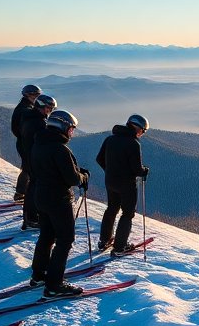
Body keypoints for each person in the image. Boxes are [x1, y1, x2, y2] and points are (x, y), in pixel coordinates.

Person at [29, 109, 88, 297]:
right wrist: (83, 176)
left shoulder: (38, 143)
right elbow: (71, 178)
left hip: (41, 195)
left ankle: (39, 275)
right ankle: (54, 285)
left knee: (46, 235)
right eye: (71, 129)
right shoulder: (60, 148)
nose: (71, 133)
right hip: (58, 199)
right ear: (63, 126)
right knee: (65, 239)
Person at [97, 114, 150, 255]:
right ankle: (120, 247)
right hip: (127, 184)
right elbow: (136, 169)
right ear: (137, 128)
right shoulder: (133, 143)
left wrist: (110, 171)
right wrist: (144, 171)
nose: (142, 134)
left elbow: (99, 159)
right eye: (143, 131)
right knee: (127, 213)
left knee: (112, 208)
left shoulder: (110, 139)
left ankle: (104, 240)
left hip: (110, 181)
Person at [18, 93, 54, 231]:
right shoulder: (37, 122)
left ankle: (30, 216)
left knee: (33, 186)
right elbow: (39, 141)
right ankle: (32, 217)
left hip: (30, 156)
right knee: (34, 187)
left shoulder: (31, 118)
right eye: (48, 108)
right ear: (41, 106)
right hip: (34, 158)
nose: (49, 111)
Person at [11, 84, 41, 201]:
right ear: (27, 95)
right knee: (28, 167)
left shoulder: (25, 106)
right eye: (34, 94)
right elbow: (19, 128)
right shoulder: (26, 109)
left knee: (27, 166)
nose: (36, 97)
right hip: (25, 143)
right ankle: (21, 193)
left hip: (23, 142)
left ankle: (22, 192)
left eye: (37, 95)